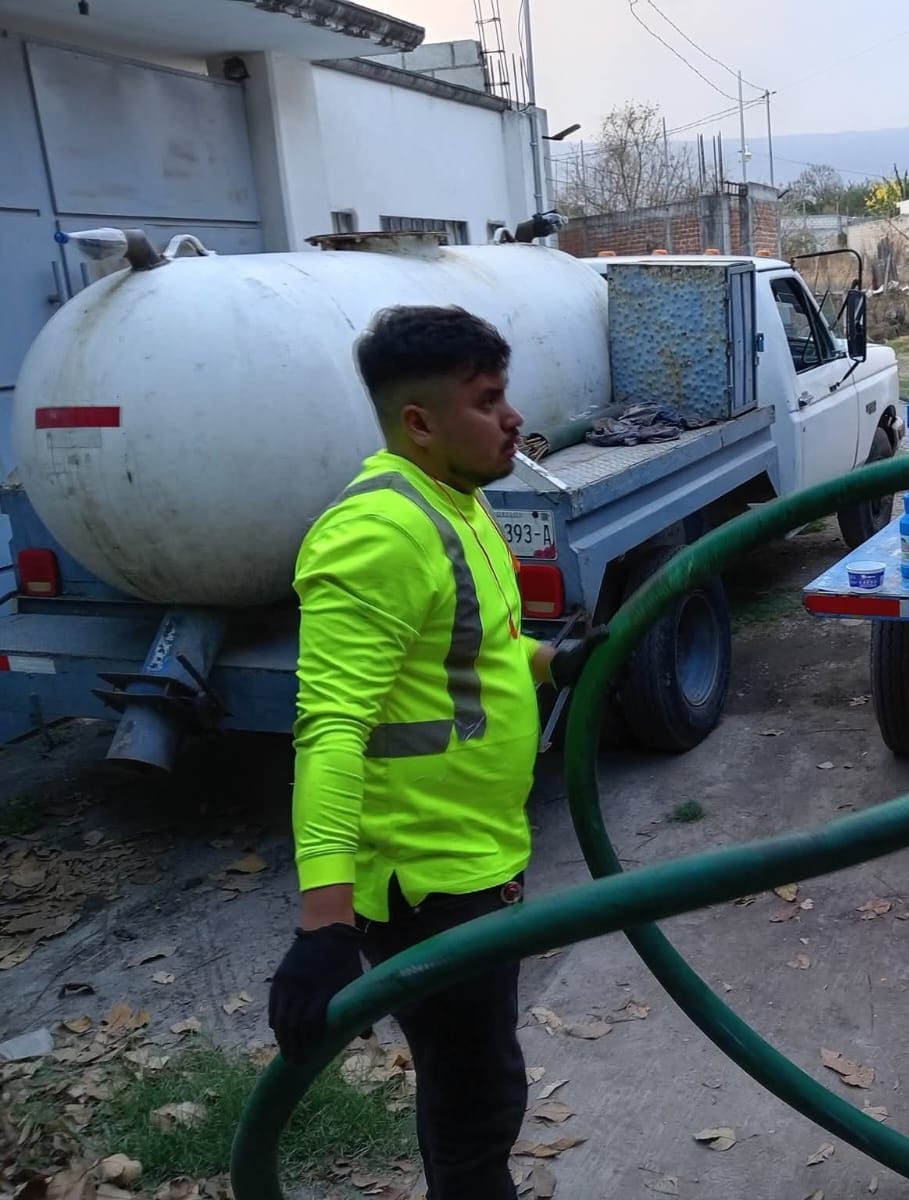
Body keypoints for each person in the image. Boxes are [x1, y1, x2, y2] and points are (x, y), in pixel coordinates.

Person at [268, 305, 603, 1199]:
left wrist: (553, 660)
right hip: (426, 882)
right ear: (419, 422)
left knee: (476, 1086)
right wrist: (325, 925)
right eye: (487, 401)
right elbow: (330, 731)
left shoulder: (457, 502)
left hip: (478, 854)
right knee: (474, 1106)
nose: (513, 417)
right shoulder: (378, 536)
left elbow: (476, 653)